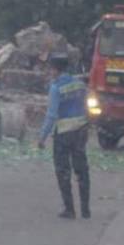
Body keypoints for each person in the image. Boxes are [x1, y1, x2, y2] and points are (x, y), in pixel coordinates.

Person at [37, 54, 91, 220]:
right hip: (81, 131)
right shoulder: (80, 85)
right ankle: (85, 209)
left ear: (54, 69)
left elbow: (52, 115)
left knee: (63, 171)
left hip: (64, 133)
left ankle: (69, 209)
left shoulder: (56, 88)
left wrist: (42, 137)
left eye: (50, 68)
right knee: (82, 170)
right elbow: (87, 106)